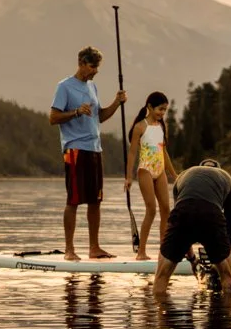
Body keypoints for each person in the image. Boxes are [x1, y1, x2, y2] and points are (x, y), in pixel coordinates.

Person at [49, 45, 127, 261]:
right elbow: (53, 118)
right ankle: (69, 250)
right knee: (74, 199)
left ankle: (94, 248)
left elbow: (99, 117)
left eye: (97, 67)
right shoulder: (64, 87)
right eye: (93, 66)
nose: (95, 71)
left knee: (95, 200)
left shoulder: (93, 87)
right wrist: (75, 112)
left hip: (95, 149)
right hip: (75, 149)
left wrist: (117, 103)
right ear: (82, 63)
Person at [152, 158, 231, 296]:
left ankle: (159, 309)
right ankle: (227, 312)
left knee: (162, 275)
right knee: (227, 275)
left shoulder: (183, 176)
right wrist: (224, 255)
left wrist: (192, 260)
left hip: (183, 212)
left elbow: (181, 217)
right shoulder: (227, 179)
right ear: (219, 169)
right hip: (211, 214)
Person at [124, 91, 178, 261]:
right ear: (149, 107)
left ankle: (165, 250)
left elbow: (164, 152)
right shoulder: (140, 127)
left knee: (166, 210)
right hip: (145, 170)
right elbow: (132, 153)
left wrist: (174, 174)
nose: (162, 113)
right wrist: (128, 177)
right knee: (151, 210)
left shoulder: (162, 126)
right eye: (160, 109)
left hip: (159, 170)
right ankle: (141, 252)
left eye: (165, 110)